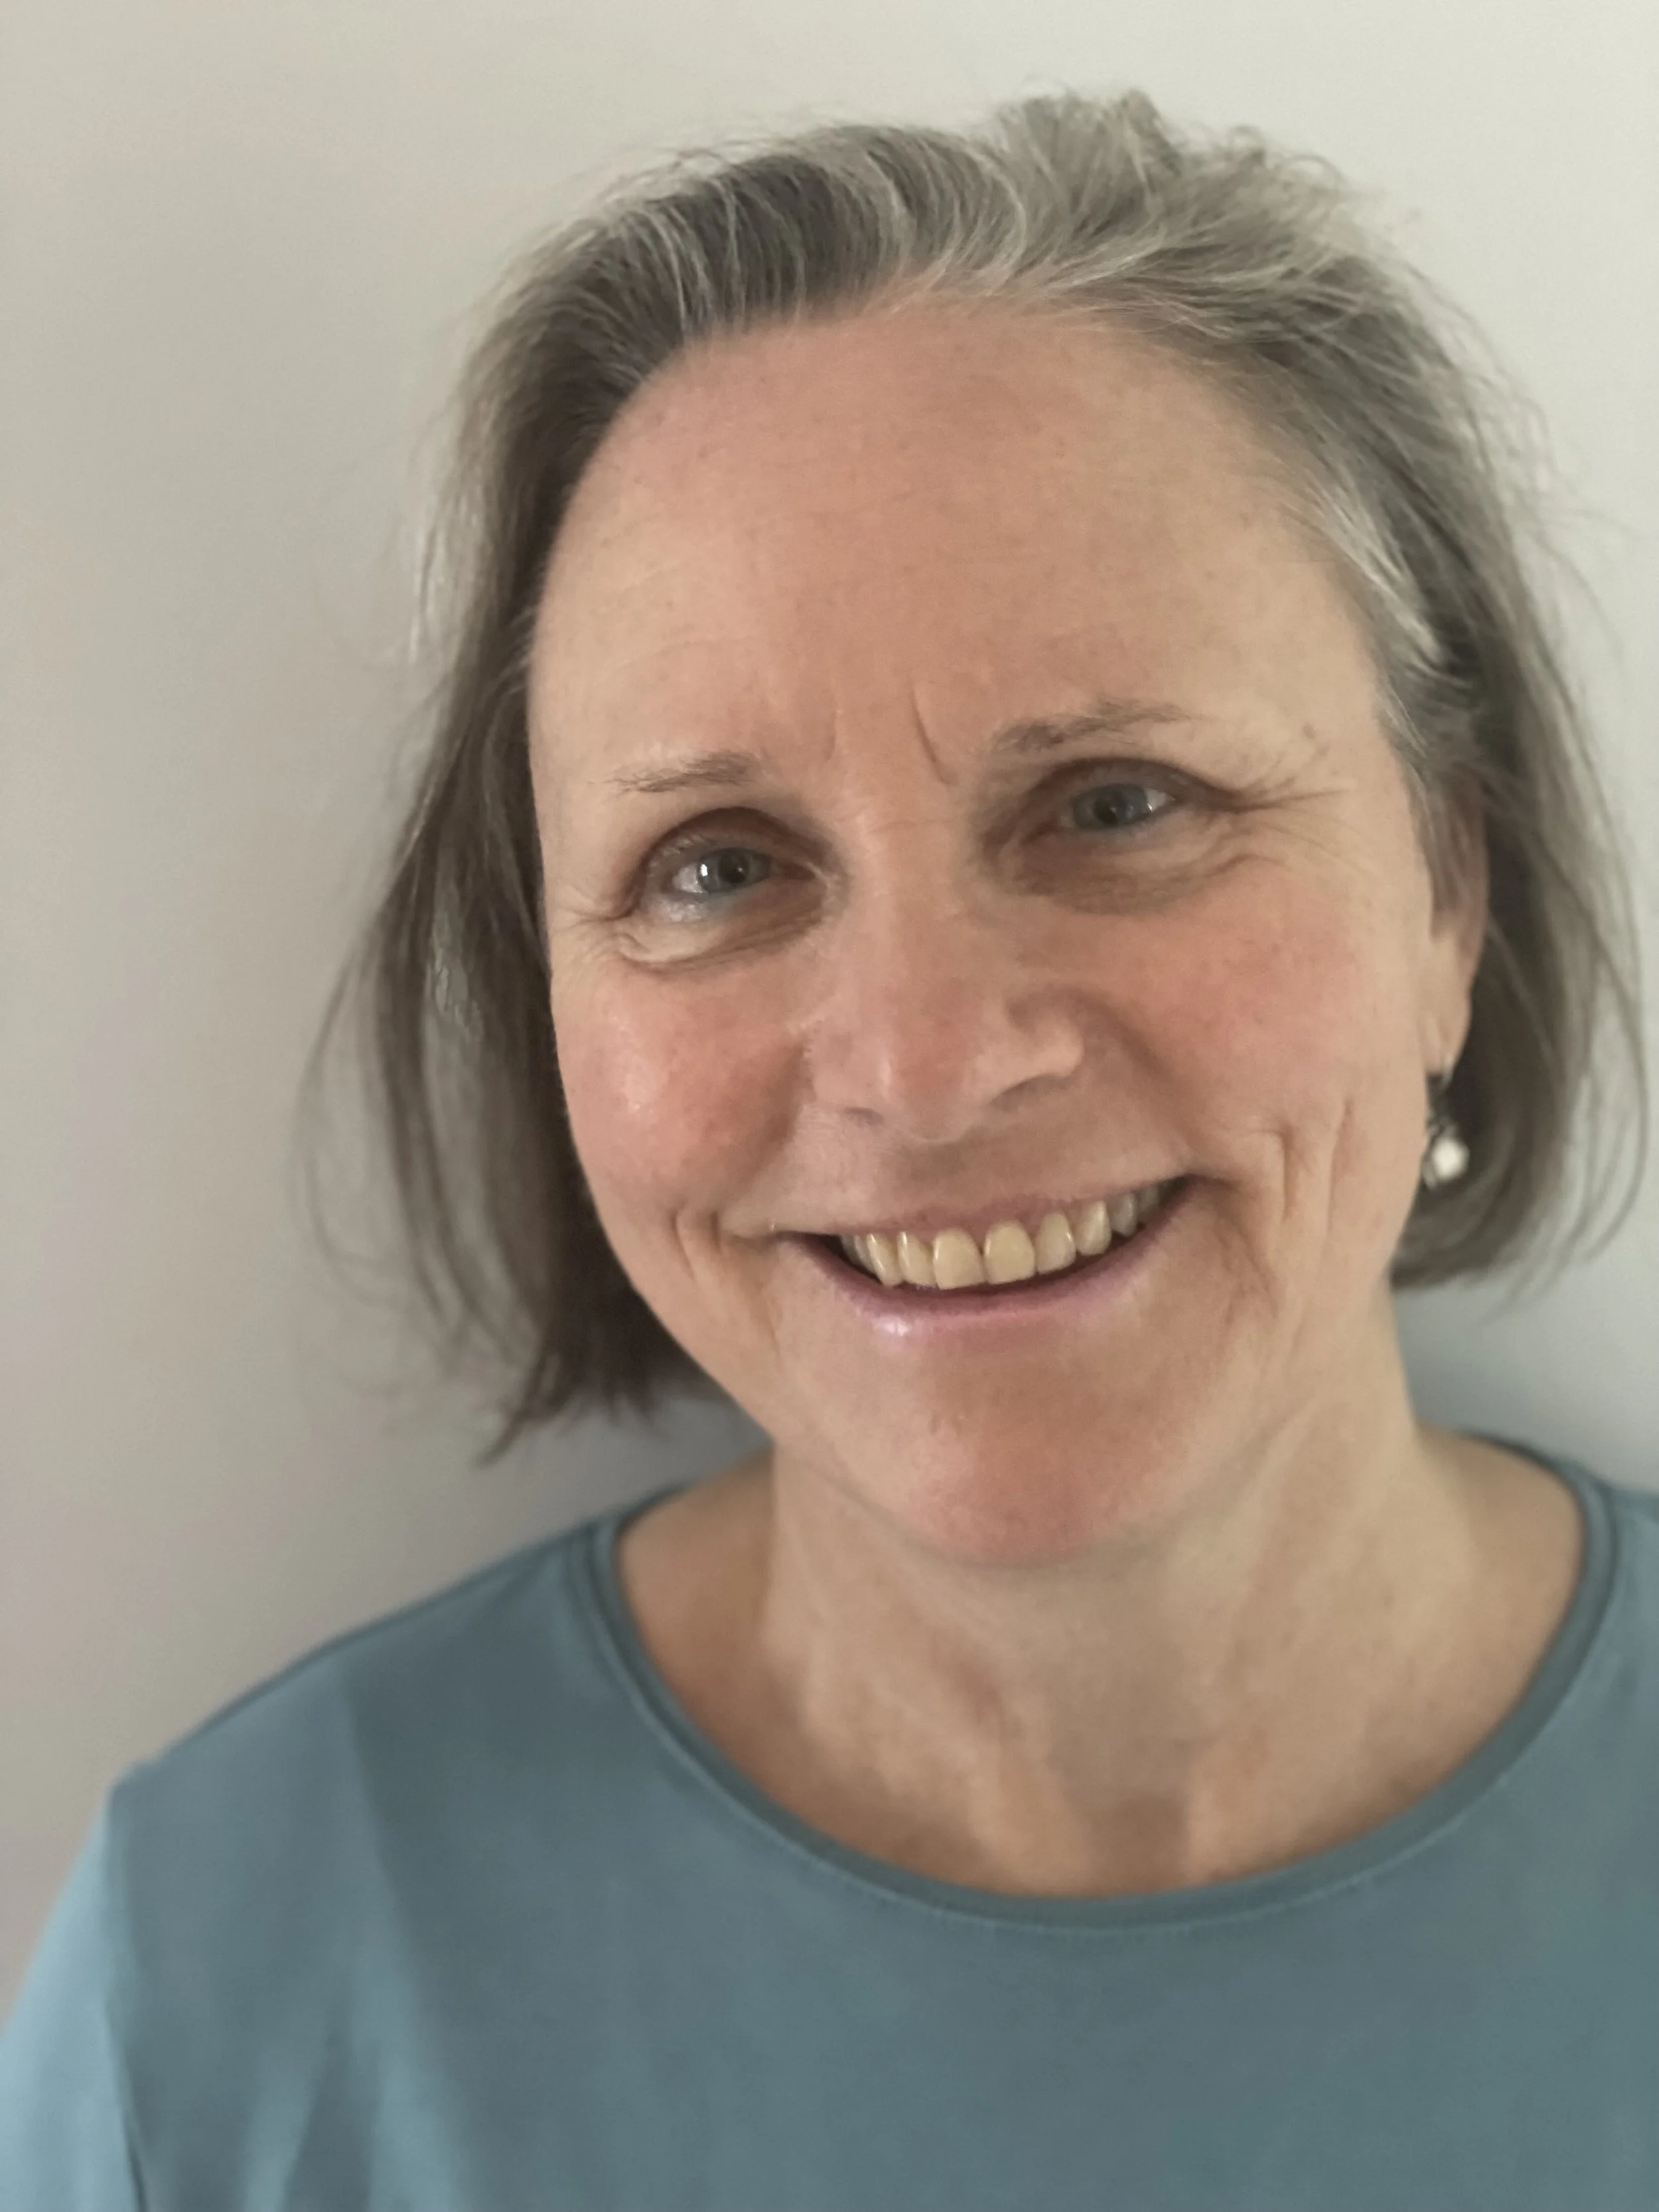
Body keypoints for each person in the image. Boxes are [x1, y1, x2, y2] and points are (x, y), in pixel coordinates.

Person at [3, 86, 1654, 2211]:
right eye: (715, 866)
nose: (921, 1064)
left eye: (1117, 804)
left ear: (1447, 890)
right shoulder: (230, 1974)